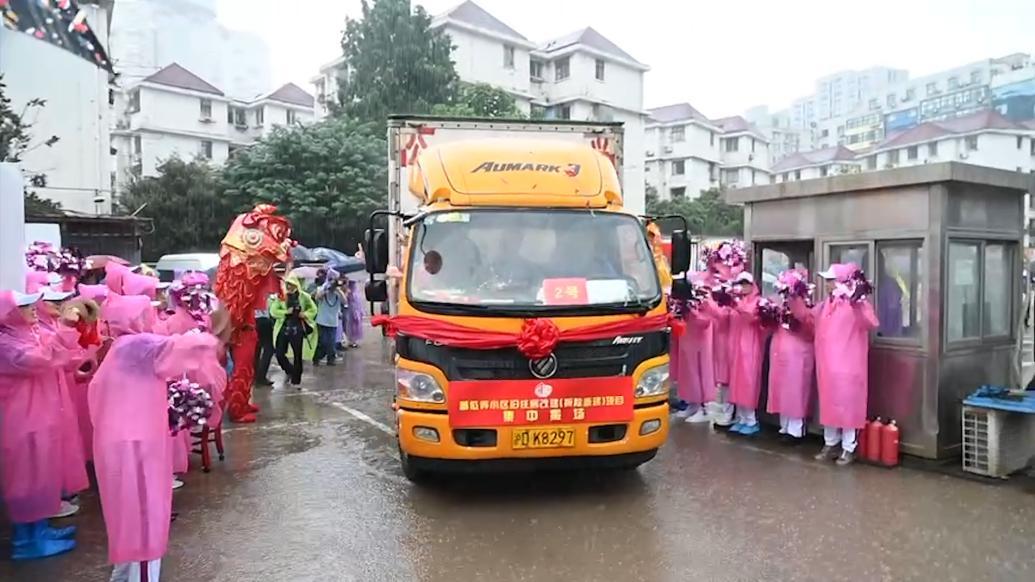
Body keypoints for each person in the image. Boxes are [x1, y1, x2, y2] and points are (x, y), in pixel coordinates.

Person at [89, 293, 218, 581]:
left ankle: (124, 574)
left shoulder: (122, 346)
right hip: (136, 445)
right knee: (145, 520)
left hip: (125, 440)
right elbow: (191, 346)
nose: (155, 318)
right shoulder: (137, 344)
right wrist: (210, 330)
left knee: (131, 515)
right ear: (136, 319)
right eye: (149, 313)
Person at [0, 289, 82, 560]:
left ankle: (40, 529)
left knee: (42, 476)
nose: (34, 308)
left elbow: (59, 352)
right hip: (21, 422)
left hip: (39, 416)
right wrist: (66, 327)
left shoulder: (29, 334)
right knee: (25, 480)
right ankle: (26, 542)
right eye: (25, 306)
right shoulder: (6, 344)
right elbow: (40, 360)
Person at [813, 263, 880, 466]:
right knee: (830, 404)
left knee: (848, 406)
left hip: (848, 365)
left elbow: (871, 323)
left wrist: (856, 301)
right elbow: (808, 318)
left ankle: (849, 447)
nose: (827, 284)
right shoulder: (826, 304)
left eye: (831, 280)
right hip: (827, 365)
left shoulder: (857, 304)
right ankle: (831, 443)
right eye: (827, 280)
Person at [768, 275, 816, 444]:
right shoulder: (780, 305)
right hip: (781, 353)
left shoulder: (805, 306)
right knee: (782, 389)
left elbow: (810, 329)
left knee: (796, 391)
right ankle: (785, 426)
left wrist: (796, 308)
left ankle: (795, 430)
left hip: (798, 355)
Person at [727, 272, 767, 435]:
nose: (742, 287)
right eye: (740, 284)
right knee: (737, 383)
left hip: (751, 348)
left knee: (748, 383)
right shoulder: (739, 301)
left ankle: (751, 420)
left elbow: (752, 317)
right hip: (737, 347)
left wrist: (736, 304)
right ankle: (742, 418)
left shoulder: (758, 302)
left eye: (745, 284)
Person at [270, 275, 317, 387]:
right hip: (284, 327)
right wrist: (286, 312)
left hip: (298, 328)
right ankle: (290, 370)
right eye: (288, 284)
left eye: (291, 284)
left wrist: (304, 315)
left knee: (297, 355)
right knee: (279, 353)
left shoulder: (304, 297)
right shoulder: (281, 296)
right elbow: (273, 310)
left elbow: (313, 309)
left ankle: (296, 379)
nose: (289, 287)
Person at [313, 270, 346, 365]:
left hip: (333, 321)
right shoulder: (322, 288)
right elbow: (317, 297)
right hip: (322, 319)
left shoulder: (337, 291)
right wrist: (326, 290)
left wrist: (337, 290)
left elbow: (345, 301)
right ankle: (317, 357)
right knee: (322, 341)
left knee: (331, 342)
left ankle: (331, 359)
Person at [253, 296, 275, 386]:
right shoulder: (264, 289)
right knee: (268, 349)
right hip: (263, 319)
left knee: (256, 349)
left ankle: (255, 375)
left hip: (253, 320)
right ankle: (261, 376)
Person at [344, 278, 365, 348]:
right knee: (352, 326)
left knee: (354, 325)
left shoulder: (354, 293)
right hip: (352, 311)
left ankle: (353, 340)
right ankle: (351, 340)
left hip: (355, 310)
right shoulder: (350, 293)